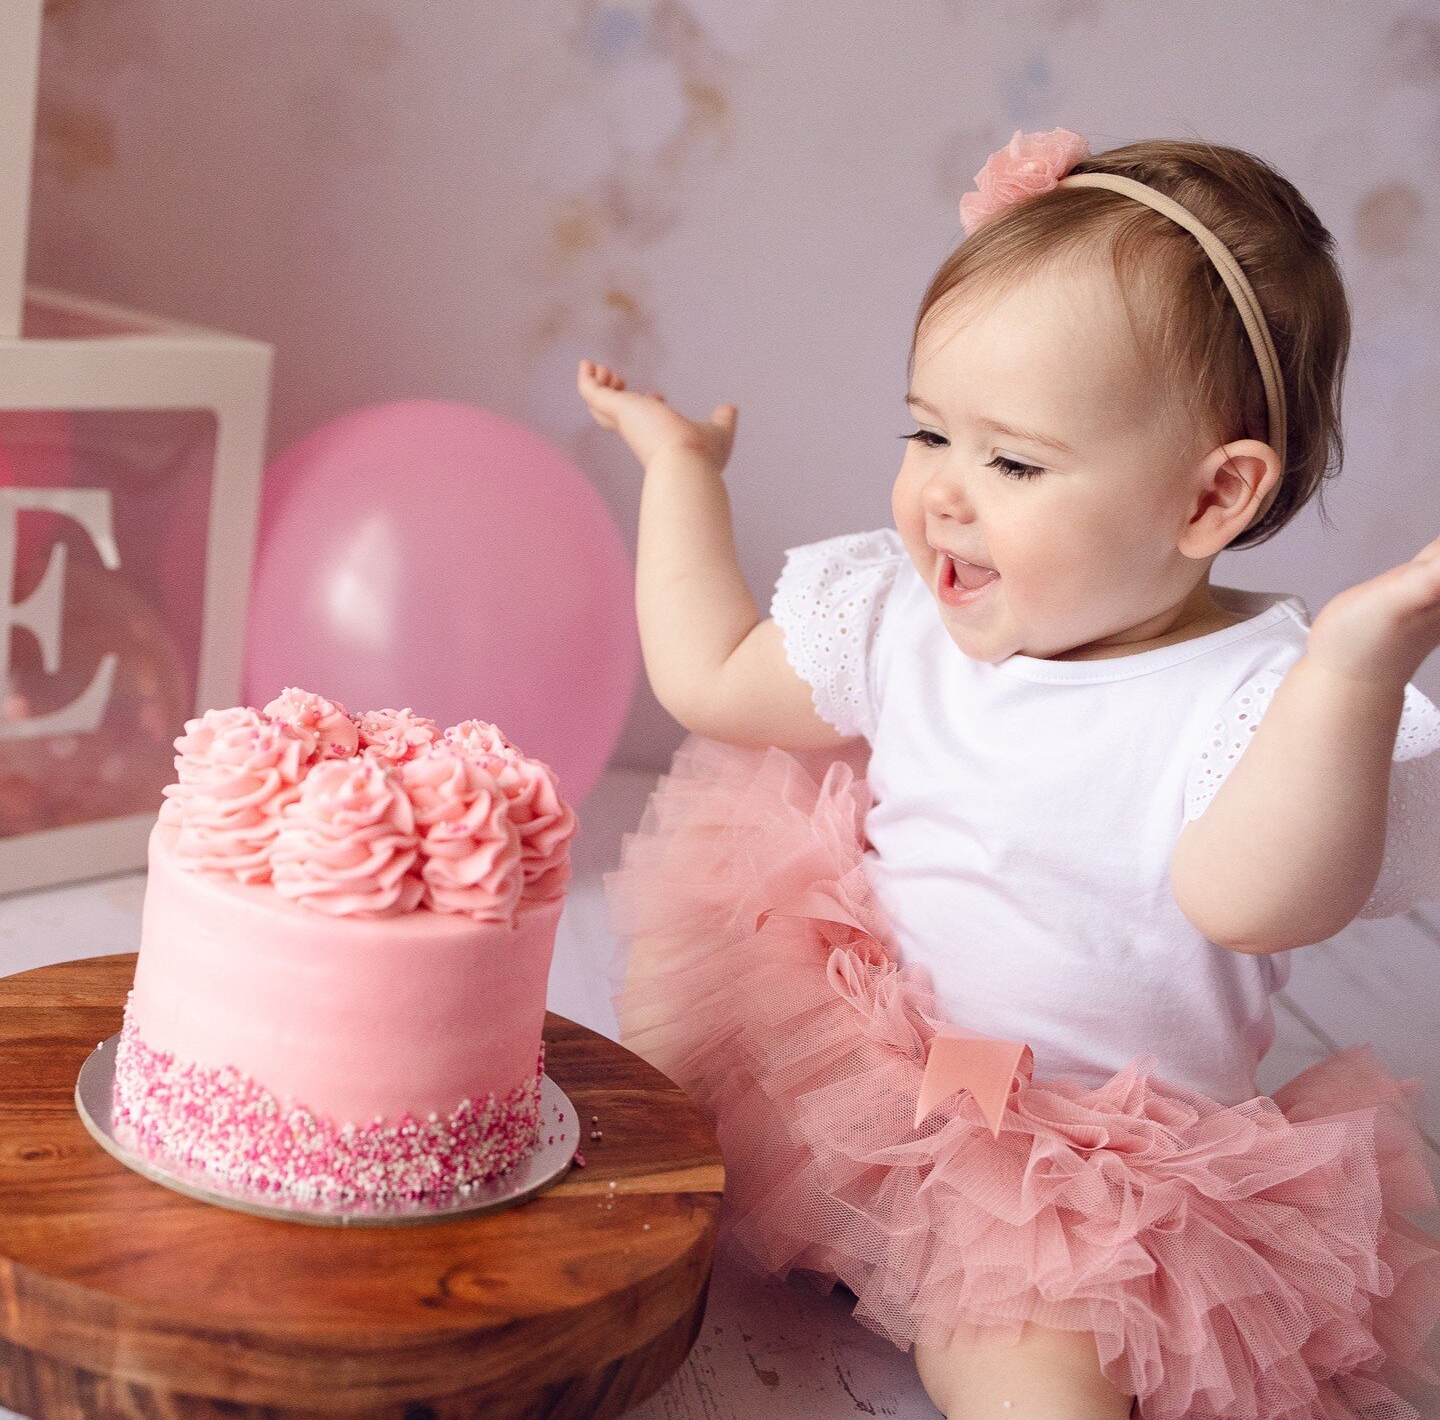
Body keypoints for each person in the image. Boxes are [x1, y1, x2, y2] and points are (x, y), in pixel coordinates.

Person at [575, 128, 1440, 1420]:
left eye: (1014, 461)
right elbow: (709, 672)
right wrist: (682, 477)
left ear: (1211, 501)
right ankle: (673, 1208)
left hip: (1084, 1174)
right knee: (676, 1046)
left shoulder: (1259, 698)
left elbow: (1256, 896)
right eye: (928, 433)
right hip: (879, 1053)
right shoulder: (903, 619)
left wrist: (1355, 676)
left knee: (1030, 1375)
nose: (943, 496)